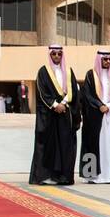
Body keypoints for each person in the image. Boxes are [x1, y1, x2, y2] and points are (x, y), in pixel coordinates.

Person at [29, 44, 81, 185]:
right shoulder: (43, 72)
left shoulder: (69, 71)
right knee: (48, 145)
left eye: (59, 54)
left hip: (65, 114)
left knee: (65, 145)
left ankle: (63, 177)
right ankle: (45, 176)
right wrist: (55, 105)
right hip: (49, 115)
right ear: (50, 55)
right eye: (54, 54)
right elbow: (41, 91)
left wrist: (63, 103)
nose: (57, 56)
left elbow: (74, 91)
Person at [80, 49, 110, 184]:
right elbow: (87, 95)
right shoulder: (91, 74)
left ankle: (109, 176)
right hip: (95, 117)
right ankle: (92, 176)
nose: (107, 62)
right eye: (105, 59)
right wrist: (100, 105)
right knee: (95, 144)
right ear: (99, 59)